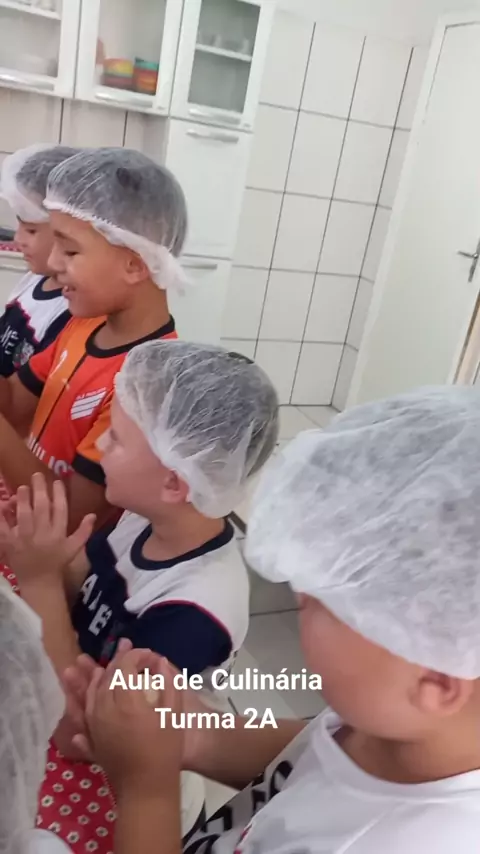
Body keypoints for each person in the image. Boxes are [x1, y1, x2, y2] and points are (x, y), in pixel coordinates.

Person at [65, 386, 480, 853]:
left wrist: (146, 789)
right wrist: (190, 735)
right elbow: (316, 754)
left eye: (323, 599)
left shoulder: (416, 842)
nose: (298, 594)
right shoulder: (392, 714)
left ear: (437, 680)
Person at [0, 339, 279, 848]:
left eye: (117, 438)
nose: (100, 444)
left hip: (123, 795)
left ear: (173, 482)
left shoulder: (198, 609)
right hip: (70, 692)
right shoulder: (142, 519)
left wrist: (38, 578)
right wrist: (47, 550)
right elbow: (86, 584)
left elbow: (82, 731)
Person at [0, 147, 186, 532]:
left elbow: (71, 516)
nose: (54, 264)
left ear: (134, 264)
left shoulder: (145, 385)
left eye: (69, 250)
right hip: (24, 517)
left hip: (55, 553)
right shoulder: (84, 325)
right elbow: (15, 403)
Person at [0, 144, 74, 378]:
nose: (18, 239)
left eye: (31, 230)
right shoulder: (33, 279)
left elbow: (23, 397)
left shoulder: (70, 311)